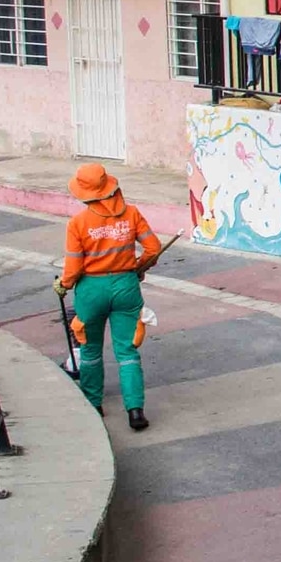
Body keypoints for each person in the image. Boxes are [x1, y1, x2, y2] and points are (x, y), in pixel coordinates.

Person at [57, 162, 163, 430]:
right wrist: (138, 268)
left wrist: (63, 284)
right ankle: (135, 410)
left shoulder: (78, 223)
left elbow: (73, 267)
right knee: (127, 350)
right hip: (126, 286)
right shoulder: (132, 214)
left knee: (90, 349)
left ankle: (94, 404)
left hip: (91, 290)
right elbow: (153, 248)